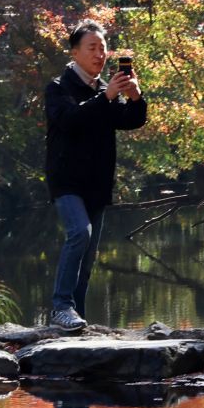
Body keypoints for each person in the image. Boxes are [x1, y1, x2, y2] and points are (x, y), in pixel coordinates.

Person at [45, 20, 147, 330]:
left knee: (88, 258)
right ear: (74, 52)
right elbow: (70, 120)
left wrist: (135, 97)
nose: (99, 54)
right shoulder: (58, 88)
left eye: (103, 49)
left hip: (97, 182)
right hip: (66, 180)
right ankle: (61, 307)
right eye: (92, 48)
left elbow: (130, 121)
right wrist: (106, 98)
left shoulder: (106, 89)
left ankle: (76, 319)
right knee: (80, 233)